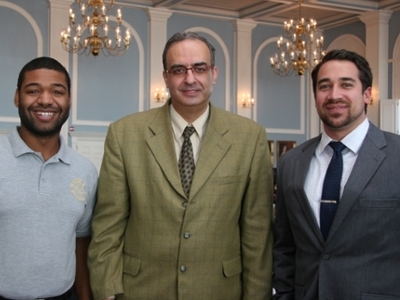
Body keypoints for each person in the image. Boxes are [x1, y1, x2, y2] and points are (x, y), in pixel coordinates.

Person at [88, 31, 274, 300]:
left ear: (214, 73)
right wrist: (107, 291)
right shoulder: (125, 133)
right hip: (141, 290)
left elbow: (257, 234)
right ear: (166, 77)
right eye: (178, 70)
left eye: (199, 68)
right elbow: (108, 226)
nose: (190, 79)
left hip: (220, 291)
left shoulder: (249, 137)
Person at [273, 49, 400, 299]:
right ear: (315, 95)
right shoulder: (290, 163)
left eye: (346, 84)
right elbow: (284, 248)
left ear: (367, 94)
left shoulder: (396, 156)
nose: (334, 95)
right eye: (324, 86)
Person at [0, 57, 97, 300]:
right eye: (33, 90)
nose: (45, 100)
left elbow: (81, 242)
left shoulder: (84, 170)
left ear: (69, 100)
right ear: (16, 97)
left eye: (57, 91)